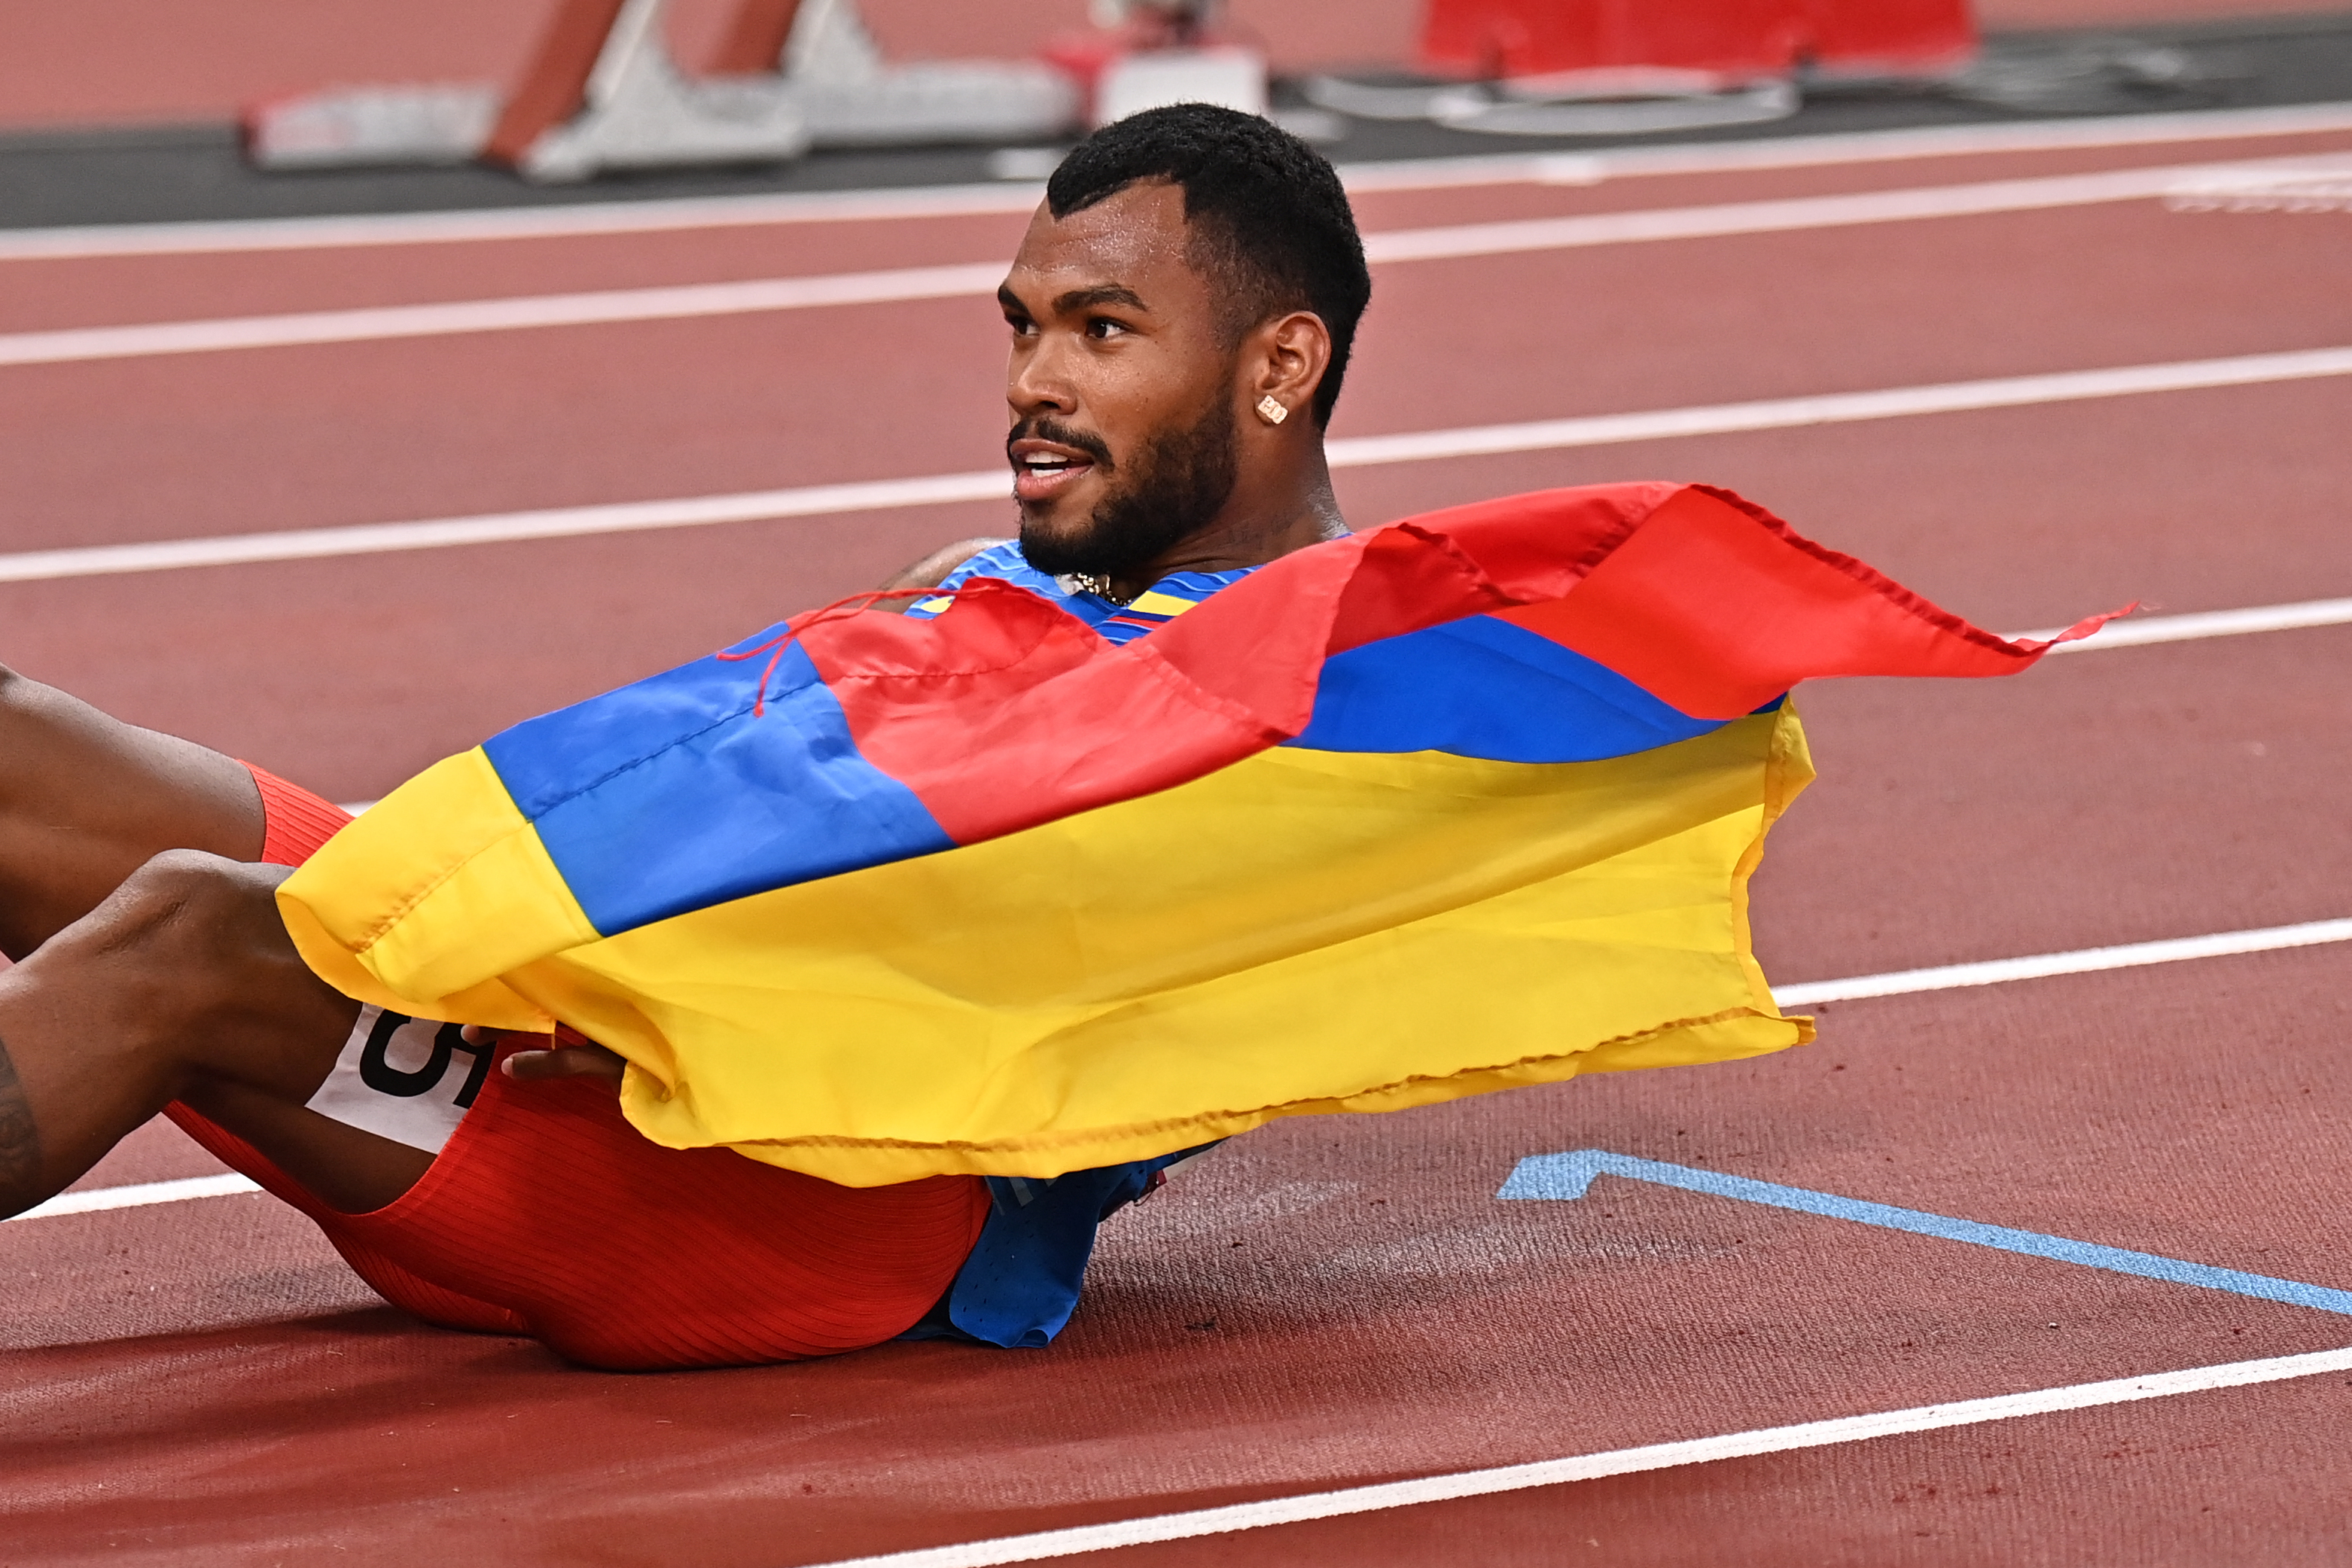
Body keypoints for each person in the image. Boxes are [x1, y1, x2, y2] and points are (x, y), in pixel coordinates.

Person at [0, 104, 1373, 1369]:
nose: (1033, 381)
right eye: (1024, 327)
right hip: (563, 1057)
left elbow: (1089, 1017)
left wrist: (704, 1004)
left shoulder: (1326, 700)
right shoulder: (986, 574)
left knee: (186, 938)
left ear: (1282, 363)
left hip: (794, 1210)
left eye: (1103, 332)